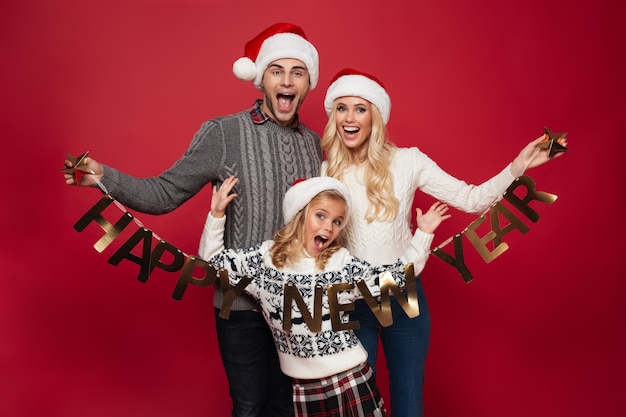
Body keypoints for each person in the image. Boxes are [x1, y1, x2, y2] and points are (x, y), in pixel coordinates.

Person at [63, 23, 322, 417]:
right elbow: (165, 193)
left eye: (297, 72)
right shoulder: (224, 133)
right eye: (277, 71)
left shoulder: (317, 145)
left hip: (298, 306)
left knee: (290, 409)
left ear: (308, 83)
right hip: (242, 305)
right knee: (250, 407)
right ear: (261, 79)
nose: (286, 81)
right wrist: (103, 175)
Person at [319, 68, 568, 417]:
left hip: (400, 291)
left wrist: (517, 167)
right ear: (333, 117)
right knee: (355, 406)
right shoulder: (325, 172)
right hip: (350, 296)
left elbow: (471, 199)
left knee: (408, 398)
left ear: (375, 115)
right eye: (341, 108)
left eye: (360, 108)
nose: (349, 118)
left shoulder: (408, 161)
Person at [198, 176, 451, 417]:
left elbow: (396, 277)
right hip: (302, 388)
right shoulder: (266, 260)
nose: (329, 227)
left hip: (351, 379)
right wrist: (217, 215)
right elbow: (213, 262)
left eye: (337, 221)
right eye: (321, 216)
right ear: (300, 214)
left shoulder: (340, 262)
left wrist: (424, 233)